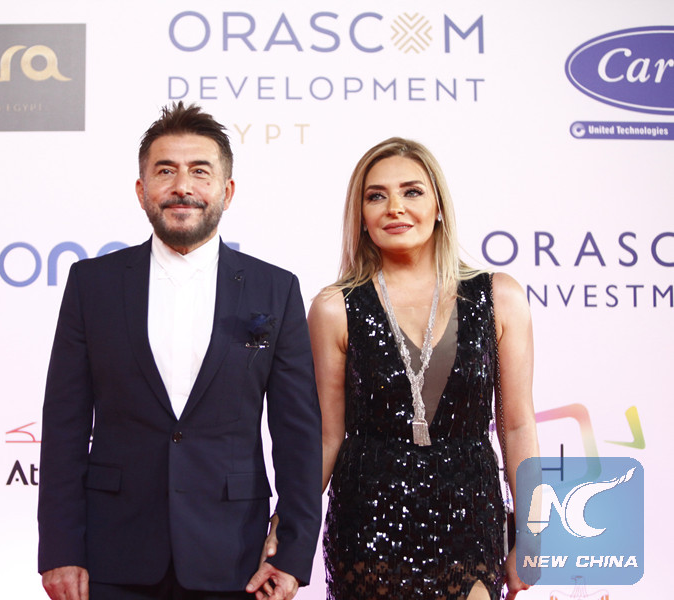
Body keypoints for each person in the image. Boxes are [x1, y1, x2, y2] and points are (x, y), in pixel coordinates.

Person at [37, 102, 322, 600]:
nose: (182, 186)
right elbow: (64, 425)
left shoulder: (275, 289)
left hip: (236, 558)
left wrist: (293, 554)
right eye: (165, 171)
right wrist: (61, 548)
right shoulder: (92, 285)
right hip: (112, 555)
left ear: (227, 191)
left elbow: (298, 436)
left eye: (200, 172)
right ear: (141, 190)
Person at [307, 138, 538, 600]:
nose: (394, 207)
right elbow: (327, 437)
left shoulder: (500, 296)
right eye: (376, 196)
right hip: (368, 525)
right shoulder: (335, 307)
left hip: (470, 520)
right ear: (361, 216)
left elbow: (517, 425)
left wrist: (535, 533)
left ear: (439, 207)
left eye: (411, 191)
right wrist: (287, 526)